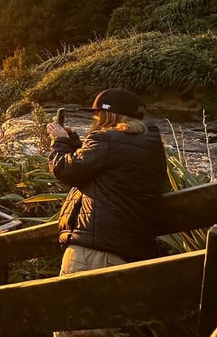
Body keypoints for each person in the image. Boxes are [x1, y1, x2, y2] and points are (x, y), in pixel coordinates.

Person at [46, 88, 168, 336]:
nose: (94, 121)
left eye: (96, 117)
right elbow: (104, 168)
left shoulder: (105, 140)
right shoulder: (148, 145)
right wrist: (76, 142)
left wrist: (59, 142)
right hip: (127, 251)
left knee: (75, 328)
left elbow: (66, 171)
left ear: (108, 117)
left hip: (93, 254)